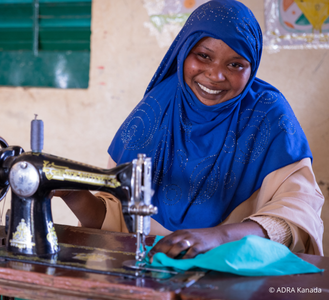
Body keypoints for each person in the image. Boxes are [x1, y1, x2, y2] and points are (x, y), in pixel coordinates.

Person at [56, 0, 324, 259]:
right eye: (204, 56)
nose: (215, 75)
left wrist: (219, 237)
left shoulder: (269, 115)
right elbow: (115, 223)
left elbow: (299, 215)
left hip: (233, 279)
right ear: (183, 52)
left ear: (251, 67)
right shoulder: (156, 108)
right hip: (153, 278)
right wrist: (72, 193)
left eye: (235, 64)